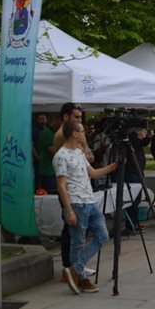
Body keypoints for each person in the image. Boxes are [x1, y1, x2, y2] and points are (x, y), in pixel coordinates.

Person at [55, 120, 117, 294]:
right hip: (76, 203)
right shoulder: (61, 156)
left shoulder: (79, 153)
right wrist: (69, 211)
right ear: (74, 134)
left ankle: (76, 269)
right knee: (78, 242)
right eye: (82, 131)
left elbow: (92, 173)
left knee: (103, 235)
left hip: (90, 201)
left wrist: (111, 167)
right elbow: (61, 186)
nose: (85, 133)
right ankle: (80, 278)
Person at [123, 127, 150, 236]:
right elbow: (129, 148)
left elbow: (143, 143)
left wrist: (147, 137)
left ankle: (134, 222)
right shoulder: (126, 137)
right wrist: (137, 138)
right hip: (131, 170)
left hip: (138, 169)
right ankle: (131, 224)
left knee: (137, 197)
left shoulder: (134, 135)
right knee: (133, 197)